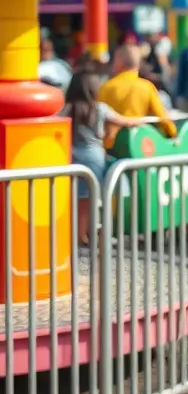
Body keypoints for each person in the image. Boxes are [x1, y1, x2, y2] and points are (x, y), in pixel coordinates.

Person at [62, 68, 144, 244]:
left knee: (78, 199)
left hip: (71, 158)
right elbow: (126, 121)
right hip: (94, 158)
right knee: (90, 199)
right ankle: (84, 235)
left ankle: (80, 233)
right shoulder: (99, 109)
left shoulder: (68, 109)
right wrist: (142, 120)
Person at [99, 44, 176, 146]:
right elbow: (163, 118)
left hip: (111, 146)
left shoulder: (105, 87)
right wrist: (173, 133)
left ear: (119, 62)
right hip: (138, 144)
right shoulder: (146, 87)